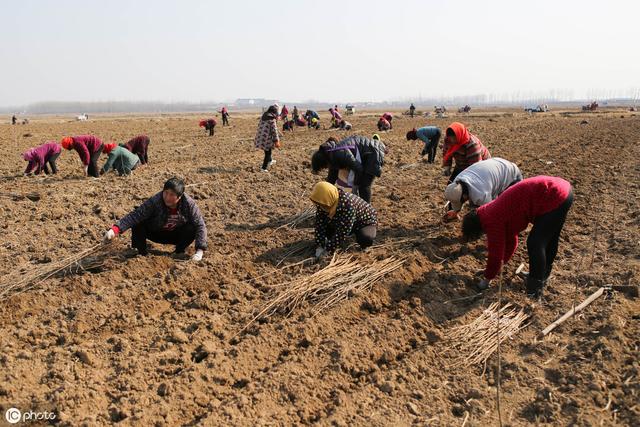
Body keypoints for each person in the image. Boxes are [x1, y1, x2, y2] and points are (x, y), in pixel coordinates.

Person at [461, 176, 573, 299]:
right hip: (562, 189)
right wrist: (495, 269)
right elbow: (511, 243)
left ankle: (534, 290)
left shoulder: (491, 221)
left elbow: (496, 255)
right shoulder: (489, 211)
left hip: (553, 194)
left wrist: (487, 280)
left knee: (535, 242)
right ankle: (542, 275)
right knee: (550, 238)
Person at [103, 177, 207, 261]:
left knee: (192, 227)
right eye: (166, 193)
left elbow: (200, 224)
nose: (167, 197)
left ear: (179, 197)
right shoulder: (156, 200)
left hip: (176, 235)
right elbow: (136, 215)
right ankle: (140, 252)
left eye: (172, 195)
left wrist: (199, 251)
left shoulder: (188, 204)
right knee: (139, 222)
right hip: (157, 231)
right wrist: (115, 229)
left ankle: (179, 251)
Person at [311, 135, 386, 203]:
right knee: (358, 184)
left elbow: (358, 168)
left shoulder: (339, 153)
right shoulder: (330, 155)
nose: (325, 168)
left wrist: (355, 185)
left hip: (373, 152)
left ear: (323, 161)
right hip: (366, 152)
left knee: (364, 185)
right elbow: (332, 177)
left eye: (323, 167)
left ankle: (367, 209)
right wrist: (325, 191)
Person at [310, 182, 377, 257]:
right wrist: (319, 246)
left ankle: (363, 241)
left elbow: (343, 231)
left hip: (363, 221)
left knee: (366, 238)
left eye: (322, 205)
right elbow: (319, 225)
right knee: (328, 233)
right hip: (342, 220)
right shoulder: (324, 202)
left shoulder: (347, 205)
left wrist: (328, 250)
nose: (321, 207)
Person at [443, 158, 523, 220]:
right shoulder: (457, 183)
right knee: (475, 209)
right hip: (495, 165)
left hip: (511, 174)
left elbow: (491, 211)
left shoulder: (481, 194)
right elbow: (458, 198)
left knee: (506, 208)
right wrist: (455, 212)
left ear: (464, 195)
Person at [254, 104, 281, 172]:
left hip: (260, 137)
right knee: (268, 153)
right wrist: (276, 141)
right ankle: (263, 168)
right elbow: (274, 131)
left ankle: (270, 160)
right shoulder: (272, 119)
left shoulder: (263, 116)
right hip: (266, 139)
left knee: (267, 151)